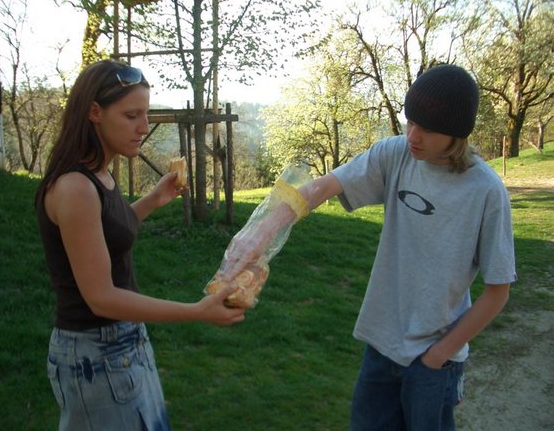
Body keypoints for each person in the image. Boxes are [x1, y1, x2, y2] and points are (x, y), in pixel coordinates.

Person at [218, 64, 516, 431]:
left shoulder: (486, 191)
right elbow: (323, 187)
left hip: (435, 360)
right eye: (410, 122)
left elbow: (497, 292)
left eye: (426, 128)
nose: (413, 135)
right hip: (380, 346)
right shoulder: (397, 154)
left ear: (456, 133)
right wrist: (260, 235)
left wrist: (436, 357)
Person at [35, 60, 246, 431]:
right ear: (94, 112)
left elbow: (108, 232)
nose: (144, 128)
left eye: (145, 114)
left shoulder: (100, 174)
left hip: (122, 345)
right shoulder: (75, 186)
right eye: (132, 115)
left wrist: (153, 199)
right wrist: (197, 311)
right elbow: (100, 296)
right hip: (95, 353)